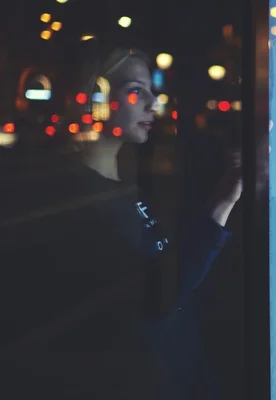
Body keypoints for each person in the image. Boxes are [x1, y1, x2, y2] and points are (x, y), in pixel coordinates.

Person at [0, 46, 241, 399]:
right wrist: (224, 199)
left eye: (150, 91)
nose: (151, 103)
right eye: (134, 90)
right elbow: (153, 295)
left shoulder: (123, 186)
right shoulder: (76, 199)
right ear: (94, 98)